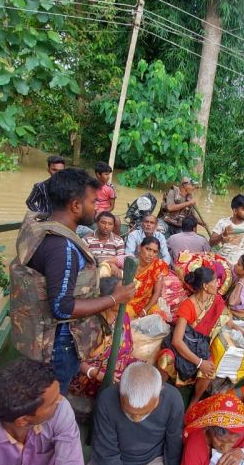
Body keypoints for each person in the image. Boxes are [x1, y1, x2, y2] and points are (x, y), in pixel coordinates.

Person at [10, 168, 135, 395]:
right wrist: (114, 298)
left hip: (36, 335)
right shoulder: (62, 248)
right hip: (56, 344)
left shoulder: (39, 225)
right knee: (54, 395)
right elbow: (61, 308)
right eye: (93, 202)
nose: (97, 207)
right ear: (75, 206)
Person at [157, 266, 244, 405]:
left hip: (200, 346)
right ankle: (156, 394)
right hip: (184, 344)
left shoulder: (215, 300)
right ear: (205, 286)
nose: (218, 284)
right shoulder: (188, 306)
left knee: (210, 370)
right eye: (215, 281)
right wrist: (199, 362)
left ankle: (193, 402)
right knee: (165, 359)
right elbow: (177, 341)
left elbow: (230, 323)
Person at [70, 277, 137, 398]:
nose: (127, 298)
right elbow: (75, 361)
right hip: (95, 376)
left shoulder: (123, 316)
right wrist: (96, 374)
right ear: (107, 298)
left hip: (121, 365)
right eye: (121, 294)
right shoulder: (91, 325)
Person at [126, 236, 170, 319]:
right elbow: (110, 262)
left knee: (160, 316)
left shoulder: (158, 266)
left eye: (154, 252)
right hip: (129, 302)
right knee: (125, 315)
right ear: (139, 248)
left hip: (146, 302)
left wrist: (145, 310)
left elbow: (157, 292)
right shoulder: (129, 262)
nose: (150, 254)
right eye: (148, 249)